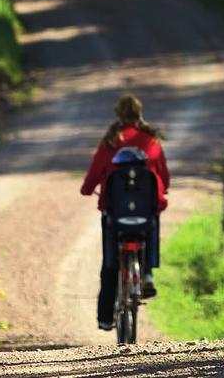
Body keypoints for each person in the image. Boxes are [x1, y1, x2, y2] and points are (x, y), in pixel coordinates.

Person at [80, 95, 170, 331]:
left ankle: (105, 318)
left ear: (118, 114)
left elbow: (92, 176)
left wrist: (88, 189)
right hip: (145, 214)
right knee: (152, 216)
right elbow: (165, 178)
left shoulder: (110, 141)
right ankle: (148, 272)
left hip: (115, 213)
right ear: (140, 113)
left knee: (110, 264)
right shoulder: (151, 140)